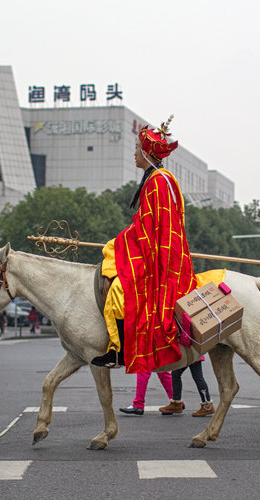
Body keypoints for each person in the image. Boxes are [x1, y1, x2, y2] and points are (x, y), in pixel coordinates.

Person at [91, 116, 196, 373]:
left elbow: (150, 229)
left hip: (157, 257)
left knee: (116, 289)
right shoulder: (157, 179)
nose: (134, 154)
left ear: (148, 153)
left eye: (137, 149)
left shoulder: (158, 181)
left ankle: (120, 349)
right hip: (155, 248)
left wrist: (123, 238)